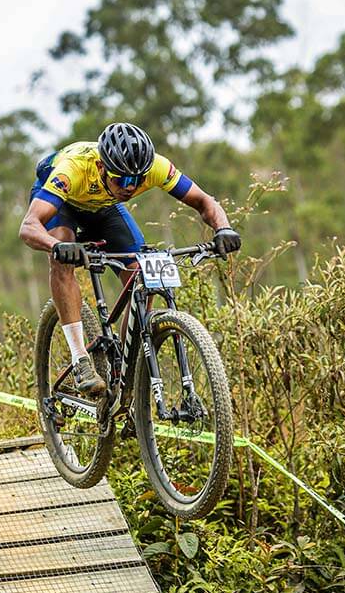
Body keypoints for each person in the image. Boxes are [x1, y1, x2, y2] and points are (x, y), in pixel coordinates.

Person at [18, 122, 241, 398]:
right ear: (101, 167)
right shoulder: (73, 169)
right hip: (62, 204)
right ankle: (80, 360)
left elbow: (205, 201)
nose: (131, 187)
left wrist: (223, 228)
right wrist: (57, 246)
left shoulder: (156, 167)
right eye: (122, 180)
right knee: (63, 254)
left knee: (142, 276)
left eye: (137, 180)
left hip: (105, 207)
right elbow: (29, 226)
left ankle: (122, 369)